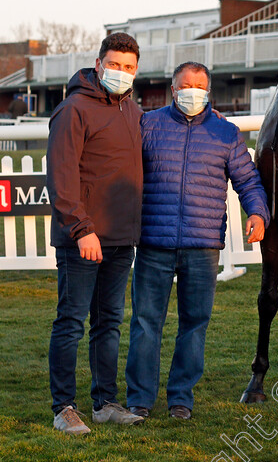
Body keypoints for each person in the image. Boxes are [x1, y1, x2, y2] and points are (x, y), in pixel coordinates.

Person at [124, 62, 270, 420]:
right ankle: (140, 399)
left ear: (208, 92)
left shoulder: (226, 133)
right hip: (154, 242)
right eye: (185, 86)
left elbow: (248, 181)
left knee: (194, 324)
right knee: (145, 323)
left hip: (203, 246)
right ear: (174, 90)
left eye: (198, 86)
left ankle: (180, 400)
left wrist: (257, 213)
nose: (192, 92)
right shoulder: (149, 124)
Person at [46, 32, 146, 435]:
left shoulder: (134, 112)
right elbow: (61, 176)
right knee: (71, 322)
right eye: (115, 65)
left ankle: (105, 402)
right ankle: (64, 407)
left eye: (129, 67)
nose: (121, 73)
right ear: (99, 63)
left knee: (109, 323)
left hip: (122, 239)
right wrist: (82, 229)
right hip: (82, 239)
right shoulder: (73, 109)